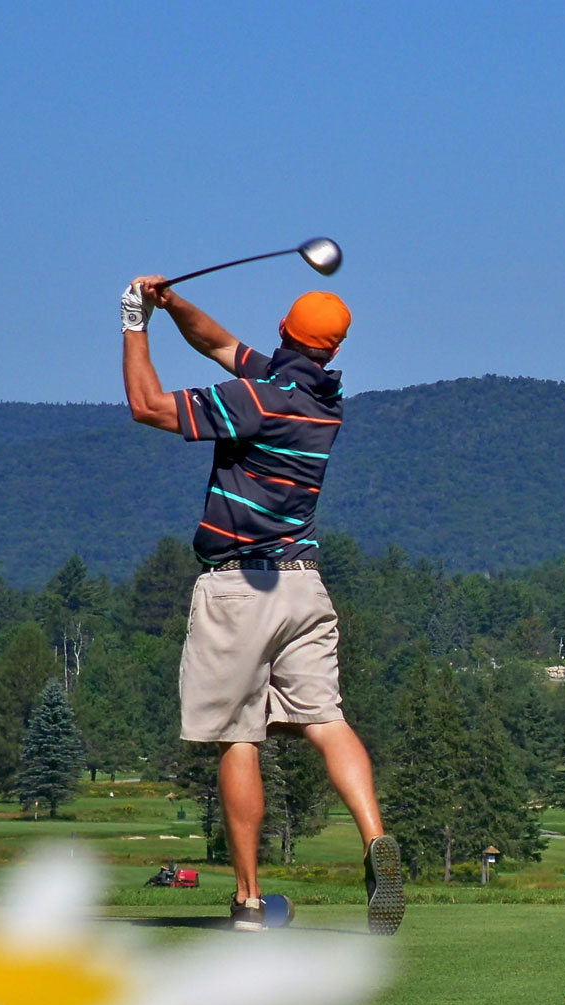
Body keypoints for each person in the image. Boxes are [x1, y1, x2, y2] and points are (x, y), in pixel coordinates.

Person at [118, 276, 405, 935]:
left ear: (282, 328)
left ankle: (248, 903)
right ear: (330, 351)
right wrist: (173, 305)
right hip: (303, 586)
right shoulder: (321, 397)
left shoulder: (256, 400)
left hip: (240, 588)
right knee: (326, 720)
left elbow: (147, 406)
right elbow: (218, 342)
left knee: (237, 736)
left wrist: (134, 321)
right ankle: (375, 842)